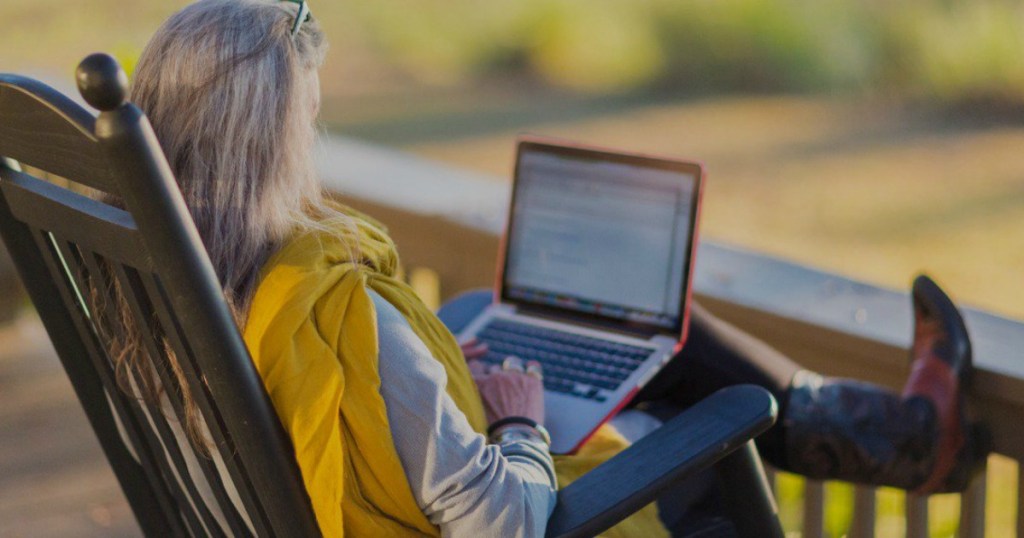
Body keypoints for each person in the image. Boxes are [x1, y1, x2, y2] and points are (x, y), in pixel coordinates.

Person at [112, 0, 988, 535]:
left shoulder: (160, 297)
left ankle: (899, 435)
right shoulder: (346, 318)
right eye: (310, 119)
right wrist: (521, 425)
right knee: (697, 406)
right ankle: (900, 436)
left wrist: (443, 372)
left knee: (602, 332)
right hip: (529, 515)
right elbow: (504, 522)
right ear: (277, 142)